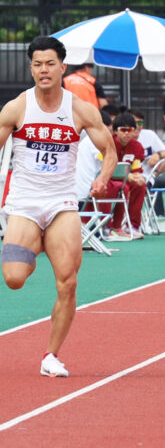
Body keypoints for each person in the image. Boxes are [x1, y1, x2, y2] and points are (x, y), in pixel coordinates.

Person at [0, 36, 117, 377]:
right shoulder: (16, 108)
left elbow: (108, 150)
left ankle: (51, 355)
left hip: (62, 203)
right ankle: (33, 245)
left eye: (50, 63)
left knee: (67, 282)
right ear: (31, 68)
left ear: (62, 67)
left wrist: (103, 178)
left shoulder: (80, 109)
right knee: (14, 278)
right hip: (24, 202)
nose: (43, 70)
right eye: (37, 64)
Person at [105, 113, 146, 240]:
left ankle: (132, 226)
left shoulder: (137, 146)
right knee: (121, 187)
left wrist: (138, 177)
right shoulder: (108, 143)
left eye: (130, 130)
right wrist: (127, 177)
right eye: (123, 130)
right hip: (108, 178)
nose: (126, 133)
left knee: (140, 185)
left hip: (126, 179)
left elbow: (136, 168)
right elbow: (104, 168)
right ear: (115, 131)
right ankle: (109, 226)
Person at [130, 109, 165, 180]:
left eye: (140, 123)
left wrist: (158, 154)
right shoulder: (123, 138)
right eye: (134, 123)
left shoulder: (149, 135)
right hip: (130, 177)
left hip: (149, 177)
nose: (137, 126)